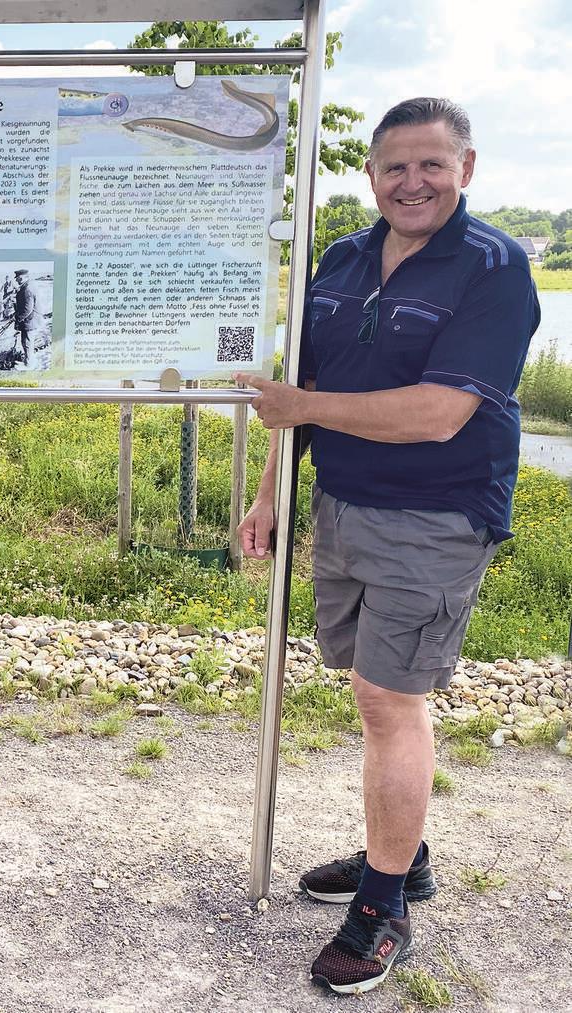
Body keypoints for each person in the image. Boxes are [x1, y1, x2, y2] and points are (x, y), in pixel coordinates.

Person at [236, 97, 539, 996]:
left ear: (467, 170)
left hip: (438, 514)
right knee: (373, 692)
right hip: (343, 504)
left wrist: (306, 413)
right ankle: (403, 857)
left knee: (388, 695)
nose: (413, 182)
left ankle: (382, 910)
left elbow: (443, 413)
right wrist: (270, 494)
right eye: (395, 167)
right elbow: (306, 385)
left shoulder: (495, 268)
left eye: (432, 165)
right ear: (369, 176)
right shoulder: (341, 258)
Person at [13, 269, 42, 366]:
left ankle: (29, 364)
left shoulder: (27, 289)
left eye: (19, 278)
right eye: (17, 278)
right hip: (30, 319)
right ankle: (28, 361)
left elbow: (27, 309)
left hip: (30, 320)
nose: (17, 280)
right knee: (26, 342)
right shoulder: (27, 286)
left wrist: (18, 317)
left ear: (25, 277)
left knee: (27, 342)